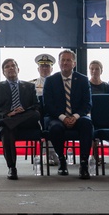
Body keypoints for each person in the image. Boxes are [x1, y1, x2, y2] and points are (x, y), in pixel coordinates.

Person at [42, 49, 92, 179]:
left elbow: (87, 104)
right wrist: (63, 118)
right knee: (55, 128)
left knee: (87, 124)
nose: (65, 63)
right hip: (57, 117)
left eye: (68, 60)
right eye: (62, 60)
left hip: (77, 116)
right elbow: (48, 105)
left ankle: (83, 163)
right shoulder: (51, 80)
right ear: (58, 63)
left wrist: (75, 117)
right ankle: (62, 160)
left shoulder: (82, 80)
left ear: (74, 63)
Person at [0, 58, 42, 179]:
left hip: (26, 120)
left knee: (35, 114)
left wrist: (23, 111)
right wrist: (9, 113)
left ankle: (2, 123)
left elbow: (36, 106)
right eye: (7, 66)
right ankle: (12, 168)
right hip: (9, 119)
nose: (11, 68)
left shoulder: (29, 86)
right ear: (3, 72)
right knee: (7, 131)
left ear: (18, 69)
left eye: (13, 66)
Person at [30, 53, 57, 165]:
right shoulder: (31, 84)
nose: (45, 68)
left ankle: (50, 152)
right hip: (37, 115)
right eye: (42, 66)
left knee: (52, 123)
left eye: (47, 66)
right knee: (43, 122)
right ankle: (49, 153)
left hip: (53, 114)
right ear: (38, 68)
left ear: (51, 68)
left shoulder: (58, 83)